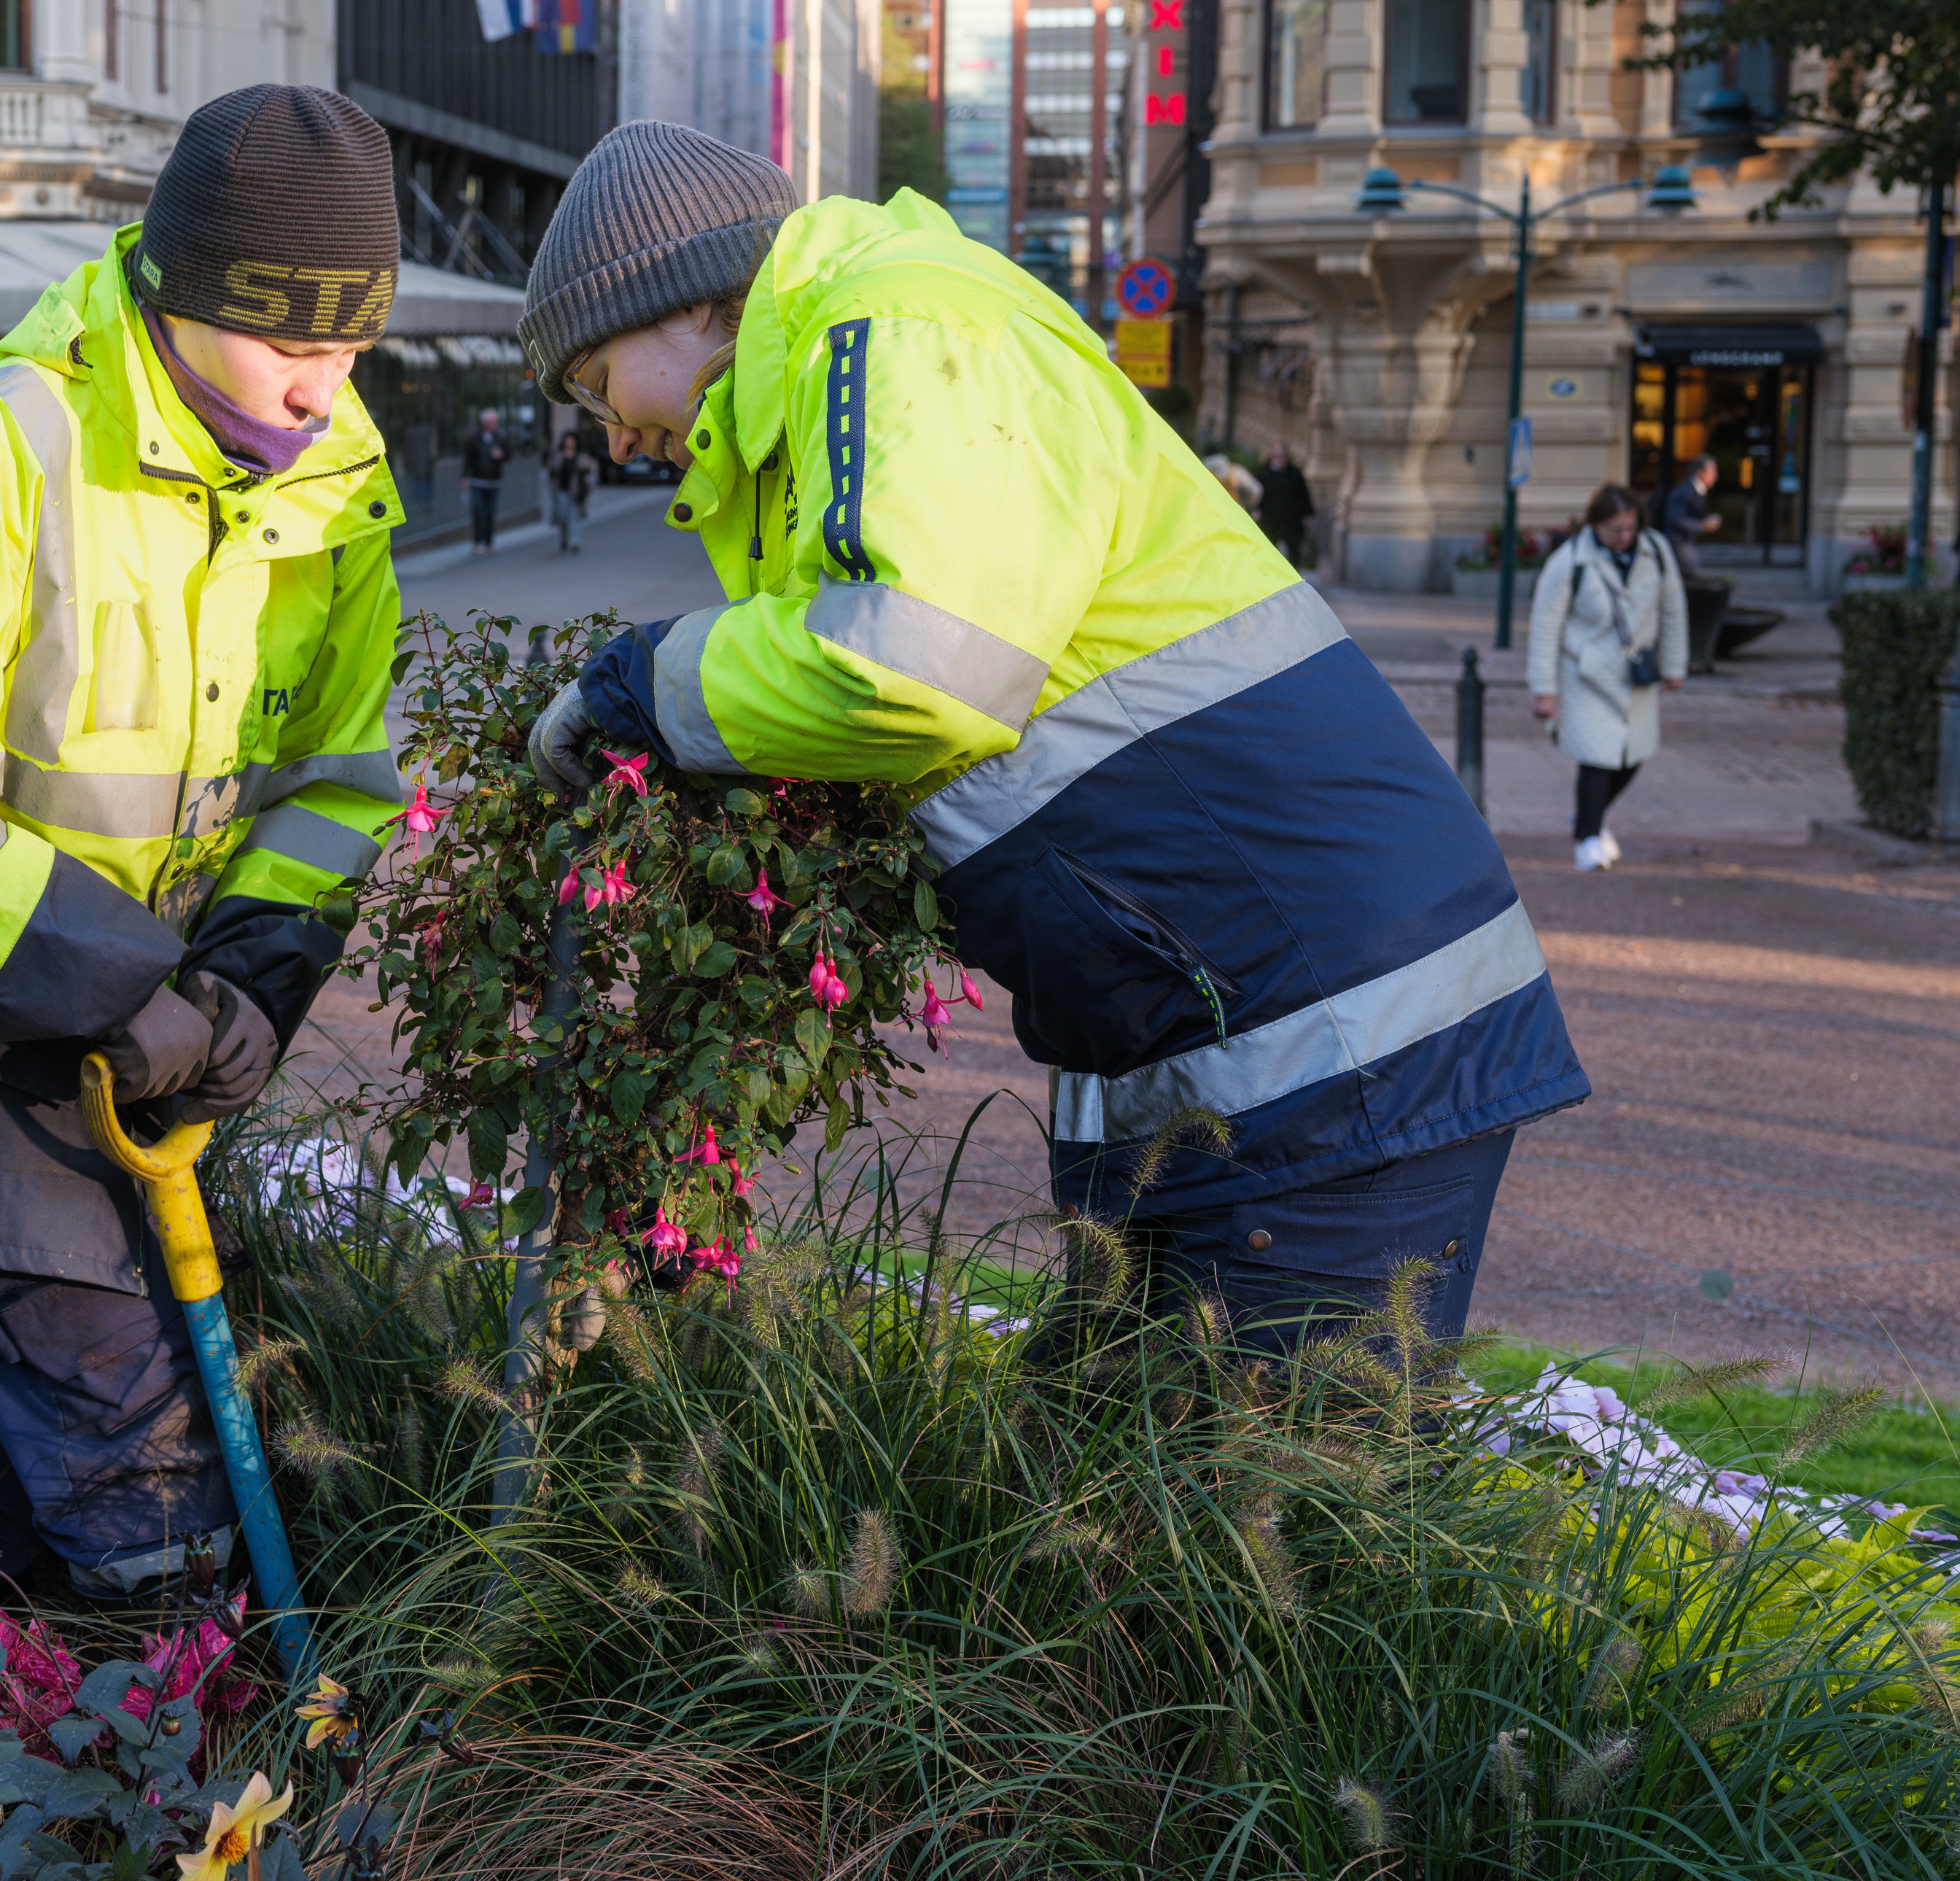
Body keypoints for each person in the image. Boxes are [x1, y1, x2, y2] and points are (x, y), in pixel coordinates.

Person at [517, 123, 1584, 1354]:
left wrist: (645, 684)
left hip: (1324, 1047)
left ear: (685, 304)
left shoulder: (900, 330)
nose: (608, 437)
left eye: (597, 386)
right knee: (1107, 1509)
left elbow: (911, 663)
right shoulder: (844, 369)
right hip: (1232, 1038)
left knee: (1269, 1517)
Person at [0, 84, 408, 1598]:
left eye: (349, 347)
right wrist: (131, 992)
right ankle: (204, 1750)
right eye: (289, 343)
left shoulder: (334, 505)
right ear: (178, 296)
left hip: (128, 1020)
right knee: (131, 1432)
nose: (322, 388)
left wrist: (249, 982)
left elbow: (336, 783)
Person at [1528, 482, 1685, 872]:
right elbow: (1546, 625)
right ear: (1595, 525)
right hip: (1586, 675)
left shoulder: (1657, 553)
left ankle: (1589, 820)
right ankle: (1588, 839)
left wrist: (1675, 665)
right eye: (1615, 529)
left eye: (1630, 528)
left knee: (1633, 759)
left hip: (1636, 675)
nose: (1624, 537)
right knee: (1596, 760)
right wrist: (1544, 689)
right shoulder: (1571, 561)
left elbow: (1672, 610)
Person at [1255, 444, 1315, 568]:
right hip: (1271, 518)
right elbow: (1258, 495)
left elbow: (1303, 494)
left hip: (1292, 518)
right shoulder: (1265, 474)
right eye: (1277, 456)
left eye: (1283, 456)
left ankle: (1295, 573)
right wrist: (1257, 510)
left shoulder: (1294, 473)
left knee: (1294, 548)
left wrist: (1308, 514)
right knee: (1270, 547)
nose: (1280, 459)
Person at [462, 406, 511, 551]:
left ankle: (489, 542)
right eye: (490, 422)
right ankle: (477, 541)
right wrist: (465, 477)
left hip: (494, 481)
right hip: (478, 480)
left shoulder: (500, 438)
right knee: (478, 511)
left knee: (490, 513)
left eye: (494, 422)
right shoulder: (475, 439)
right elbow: (468, 459)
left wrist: (501, 455)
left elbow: (509, 454)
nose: (493, 425)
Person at [1659, 453, 1719, 565]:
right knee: (1690, 574)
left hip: (1685, 542)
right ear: (1700, 473)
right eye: (1712, 472)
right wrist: (1702, 525)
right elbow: (1675, 519)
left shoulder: (1696, 490)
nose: (1715, 476)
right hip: (1679, 542)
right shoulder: (1685, 491)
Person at [545, 427, 595, 554]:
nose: (569, 443)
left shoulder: (582, 457)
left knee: (574, 516)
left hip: (576, 491)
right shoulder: (558, 456)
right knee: (562, 515)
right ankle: (564, 538)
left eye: (571, 440)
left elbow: (589, 474)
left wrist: (588, 487)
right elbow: (552, 472)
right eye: (567, 440)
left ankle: (575, 542)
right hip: (561, 490)